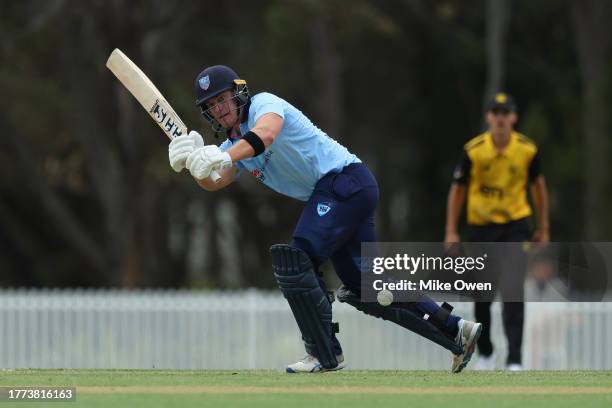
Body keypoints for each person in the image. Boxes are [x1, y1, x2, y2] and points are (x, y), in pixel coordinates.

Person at [168, 65, 481, 373]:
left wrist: (220, 156)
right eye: (210, 105)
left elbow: (267, 133)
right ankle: (456, 330)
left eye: (222, 99)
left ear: (238, 94)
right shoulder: (230, 147)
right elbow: (216, 180)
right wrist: (193, 164)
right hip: (346, 191)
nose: (218, 109)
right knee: (367, 288)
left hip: (344, 181)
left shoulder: (264, 104)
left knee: (297, 258)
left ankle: (323, 354)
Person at [444, 92, 550, 371]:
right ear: (489, 116)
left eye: (506, 113)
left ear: (513, 117)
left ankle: (515, 359)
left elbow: (539, 188)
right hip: (482, 228)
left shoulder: (527, 149)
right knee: (483, 292)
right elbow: (458, 189)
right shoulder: (474, 150)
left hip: (516, 227)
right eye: (496, 112)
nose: (501, 118)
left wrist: (543, 227)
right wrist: (451, 230)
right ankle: (487, 352)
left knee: (513, 289)